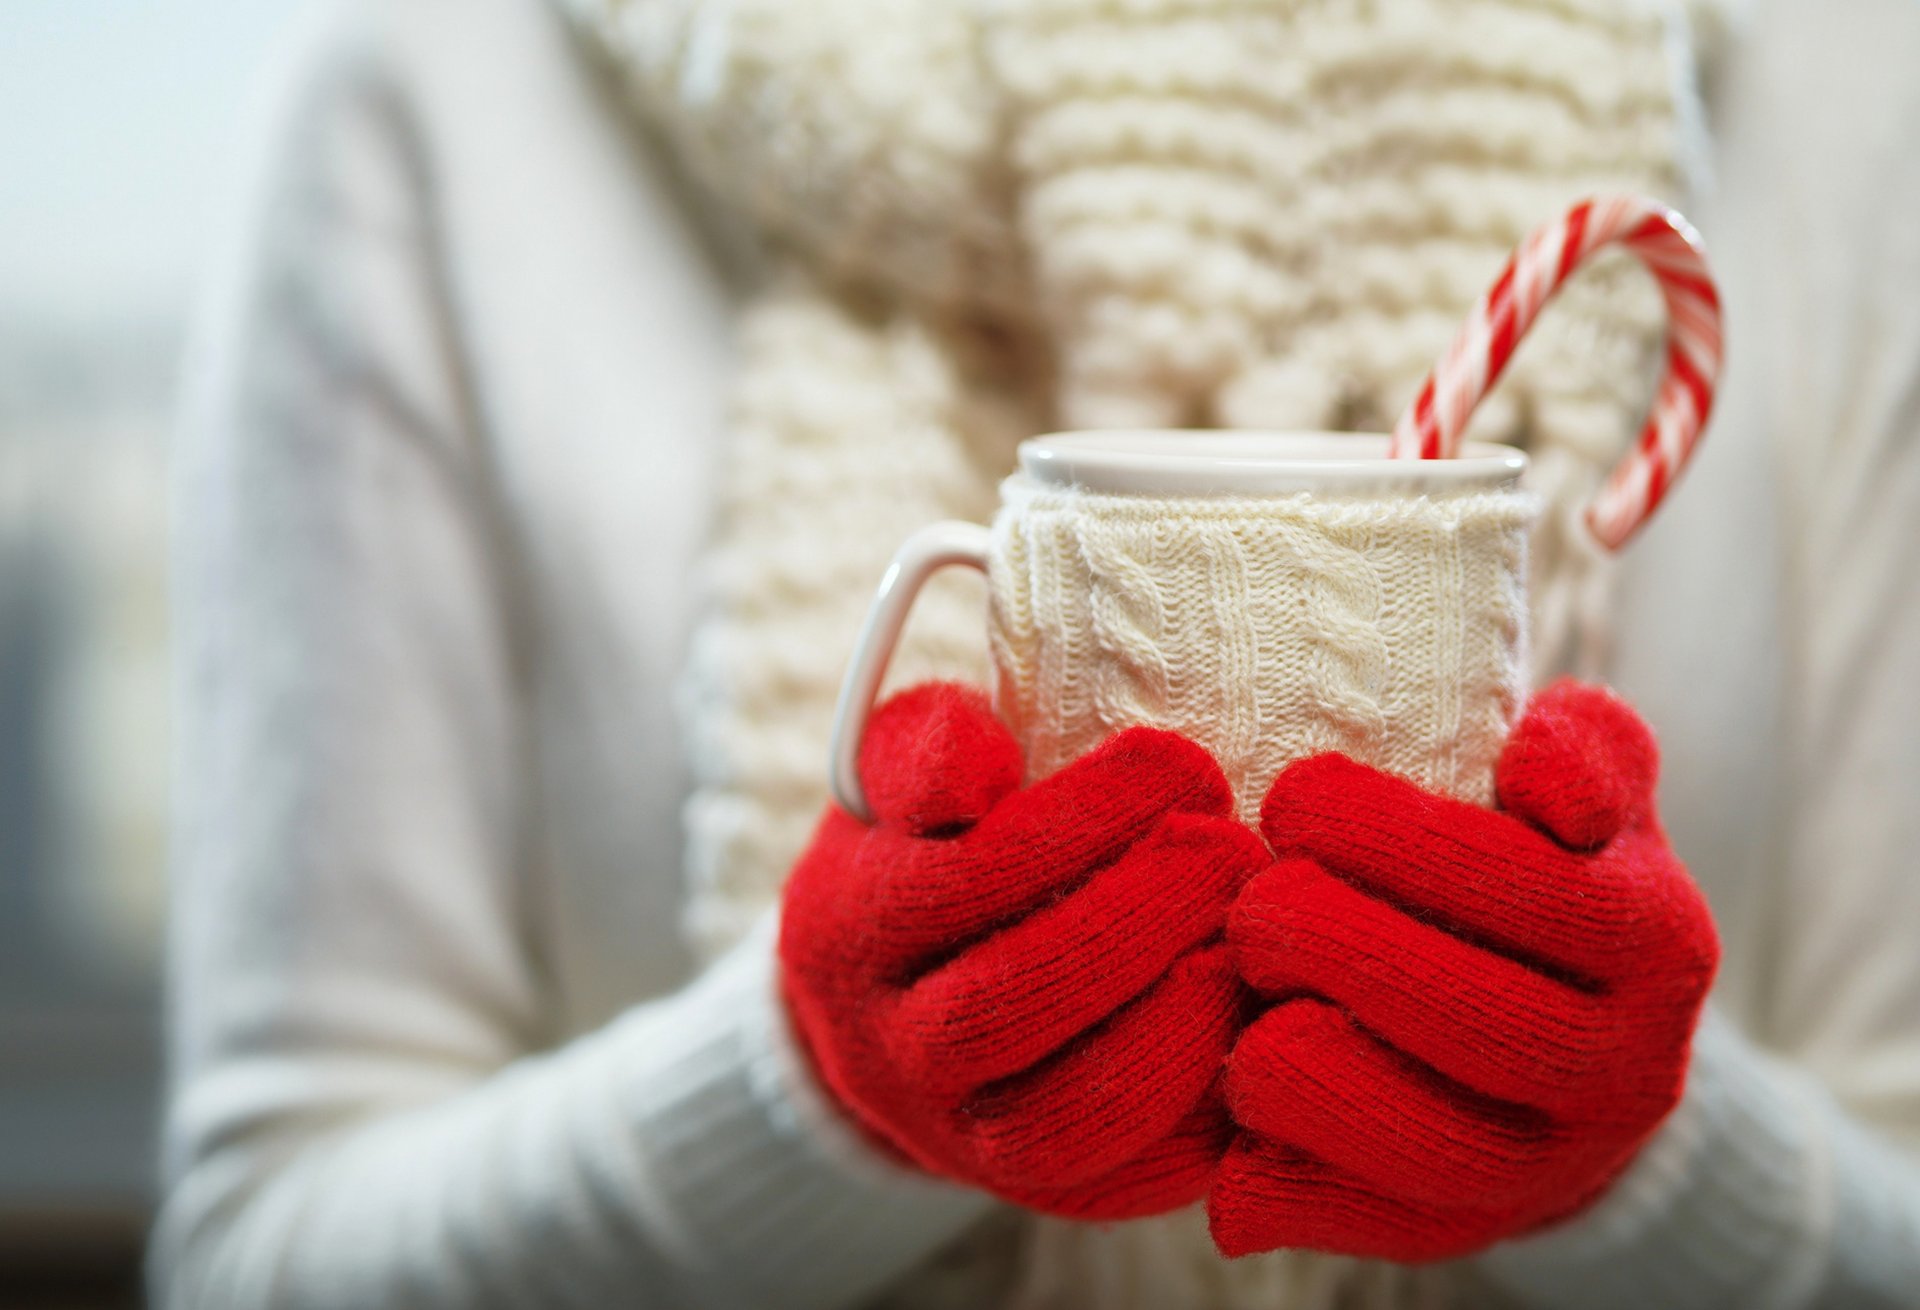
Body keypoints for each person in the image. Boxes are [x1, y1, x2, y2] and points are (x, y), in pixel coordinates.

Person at [154, 0, 1920, 1305]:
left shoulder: (1832, 98)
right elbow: (257, 1251)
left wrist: (1636, 1150)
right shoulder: (433, 92)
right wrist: (811, 1091)